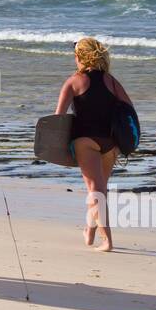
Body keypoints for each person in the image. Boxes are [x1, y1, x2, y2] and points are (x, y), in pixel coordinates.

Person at [54, 37, 134, 252]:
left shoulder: (74, 81)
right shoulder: (111, 81)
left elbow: (58, 117)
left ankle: (107, 240)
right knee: (100, 190)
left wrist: (59, 147)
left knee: (95, 192)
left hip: (85, 142)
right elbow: (128, 111)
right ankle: (89, 232)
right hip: (110, 143)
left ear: (80, 56)